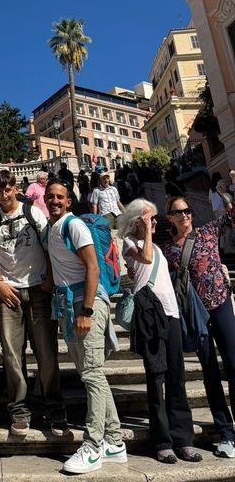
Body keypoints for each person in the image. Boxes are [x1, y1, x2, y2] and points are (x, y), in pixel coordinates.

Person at [45, 181, 126, 474]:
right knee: (91, 374)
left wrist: (87, 311)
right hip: (67, 305)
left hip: (85, 302)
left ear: (69, 201)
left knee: (92, 373)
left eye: (60, 197)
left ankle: (93, 446)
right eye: (50, 196)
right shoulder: (51, 228)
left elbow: (92, 267)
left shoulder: (74, 225)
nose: (54, 200)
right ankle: (114, 442)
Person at [0, 170, 66, 436]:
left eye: (7, 190)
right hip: (8, 292)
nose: (4, 196)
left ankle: (54, 407)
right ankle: (19, 409)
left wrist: (49, 281)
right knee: (11, 354)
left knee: (46, 352)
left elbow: (50, 248)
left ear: (15, 188)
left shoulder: (33, 212)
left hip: (38, 289)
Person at [118, 199, 201, 463]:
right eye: (149, 218)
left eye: (154, 218)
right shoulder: (130, 244)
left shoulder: (156, 247)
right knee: (156, 376)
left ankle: (183, 438)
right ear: (137, 221)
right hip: (149, 313)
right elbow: (145, 258)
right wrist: (145, 231)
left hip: (171, 313)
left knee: (177, 375)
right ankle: (162, 441)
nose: (154, 222)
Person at [164, 195, 235, 458]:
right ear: (170, 217)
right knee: (210, 373)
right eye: (178, 212)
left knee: (234, 364)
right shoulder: (168, 250)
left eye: (187, 210)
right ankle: (226, 433)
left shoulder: (208, 231)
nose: (184, 215)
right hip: (196, 315)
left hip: (221, 304)